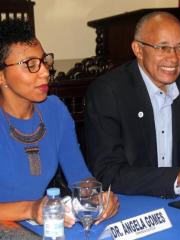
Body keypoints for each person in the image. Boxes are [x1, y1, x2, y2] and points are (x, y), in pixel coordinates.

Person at [85, 11, 180, 198]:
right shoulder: (109, 92)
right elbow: (108, 173)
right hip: (132, 202)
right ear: (138, 50)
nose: (174, 58)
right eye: (163, 47)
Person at [0, 19, 119, 227]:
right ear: (2, 76)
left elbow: (79, 176)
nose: (45, 71)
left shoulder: (54, 110)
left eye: (44, 61)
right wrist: (32, 208)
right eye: (31, 65)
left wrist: (96, 196)